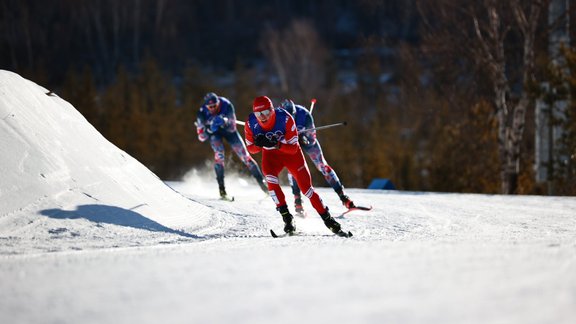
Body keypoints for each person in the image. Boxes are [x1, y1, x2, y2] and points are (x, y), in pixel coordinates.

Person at [244, 95, 350, 237]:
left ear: (272, 110)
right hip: (271, 157)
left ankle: (329, 220)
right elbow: (251, 149)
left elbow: (293, 148)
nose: (262, 117)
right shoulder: (250, 122)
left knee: (307, 190)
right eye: (259, 114)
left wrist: (277, 144)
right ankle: (287, 219)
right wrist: (258, 144)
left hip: (291, 155)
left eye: (266, 113)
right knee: (271, 183)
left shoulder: (285, 118)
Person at [280, 99, 355, 215]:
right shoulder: (278, 117)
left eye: (292, 116)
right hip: (292, 145)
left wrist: (305, 138)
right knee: (293, 169)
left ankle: (343, 197)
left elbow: (312, 138)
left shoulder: (305, 114)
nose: (290, 119)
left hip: (307, 143)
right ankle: (297, 201)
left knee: (323, 166)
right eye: (287, 116)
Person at [195, 92, 268, 199]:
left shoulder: (226, 105)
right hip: (215, 134)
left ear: (218, 102)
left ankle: (263, 186)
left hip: (229, 132)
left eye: (215, 106)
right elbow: (201, 137)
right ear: (206, 106)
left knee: (245, 156)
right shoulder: (201, 113)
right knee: (219, 155)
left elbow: (233, 128)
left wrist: (224, 122)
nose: (212, 108)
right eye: (210, 107)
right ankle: (222, 190)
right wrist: (209, 129)